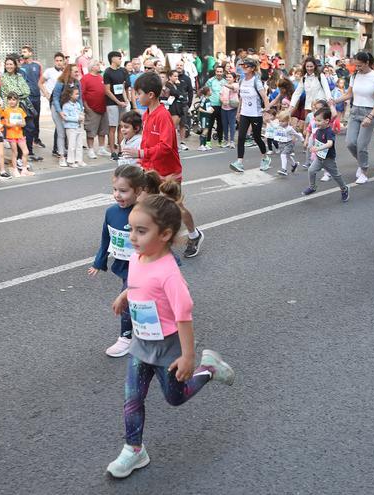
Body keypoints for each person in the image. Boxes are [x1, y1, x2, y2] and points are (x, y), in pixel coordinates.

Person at [105, 192, 234, 479]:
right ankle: (134, 449)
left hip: (167, 347)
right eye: (131, 229)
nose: (133, 237)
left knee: (176, 398)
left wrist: (188, 356)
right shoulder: (139, 256)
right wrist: (125, 293)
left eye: (141, 231)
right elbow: (138, 281)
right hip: (141, 343)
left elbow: (184, 316)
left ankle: (208, 369)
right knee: (132, 398)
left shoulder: (170, 274)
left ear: (164, 234)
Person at [126, 71, 203, 258]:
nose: (137, 97)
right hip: (151, 169)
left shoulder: (163, 116)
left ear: (150, 95)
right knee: (142, 201)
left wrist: (143, 153)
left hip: (170, 172)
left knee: (176, 207)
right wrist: (141, 160)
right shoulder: (146, 115)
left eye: (139, 93)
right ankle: (149, 239)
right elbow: (146, 141)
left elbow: (167, 147)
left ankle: (194, 235)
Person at [89, 164, 146, 357]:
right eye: (115, 190)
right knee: (142, 300)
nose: (117, 195)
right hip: (123, 264)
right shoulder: (111, 212)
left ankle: (126, 338)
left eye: (123, 191)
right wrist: (99, 261)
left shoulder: (144, 213)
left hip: (142, 266)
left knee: (127, 300)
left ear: (138, 191)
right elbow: (106, 237)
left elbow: (158, 241)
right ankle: (148, 328)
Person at [334, 52, 374, 184]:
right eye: (355, 65)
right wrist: (335, 100)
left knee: (361, 145)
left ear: (367, 63)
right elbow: (349, 94)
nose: (357, 68)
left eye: (360, 65)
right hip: (355, 110)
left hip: (369, 112)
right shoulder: (355, 75)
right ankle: (362, 162)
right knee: (350, 143)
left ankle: (363, 171)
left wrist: (370, 116)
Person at [229, 59, 274, 173]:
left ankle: (265, 158)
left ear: (252, 68)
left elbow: (264, 97)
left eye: (246, 66)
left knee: (257, 138)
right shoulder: (241, 81)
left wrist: (267, 112)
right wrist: (238, 112)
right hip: (244, 113)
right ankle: (239, 162)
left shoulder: (256, 81)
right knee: (241, 137)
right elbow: (241, 98)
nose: (244, 68)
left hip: (256, 114)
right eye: (243, 66)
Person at [301, 107, 350, 202]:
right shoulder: (318, 130)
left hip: (329, 159)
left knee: (336, 176)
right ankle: (312, 187)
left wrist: (318, 148)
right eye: (315, 120)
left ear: (327, 121)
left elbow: (329, 143)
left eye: (319, 120)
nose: (316, 122)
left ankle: (344, 188)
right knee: (311, 170)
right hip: (319, 158)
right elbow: (317, 141)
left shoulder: (329, 131)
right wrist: (312, 146)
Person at [103, 51, 131, 160]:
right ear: (113, 59)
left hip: (122, 103)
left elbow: (123, 88)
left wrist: (125, 100)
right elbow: (107, 91)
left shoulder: (123, 71)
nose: (120, 59)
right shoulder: (107, 72)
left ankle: (121, 150)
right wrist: (118, 102)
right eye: (118, 58)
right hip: (112, 103)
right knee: (112, 127)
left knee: (121, 127)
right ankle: (112, 151)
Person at [81, 60, 110, 159]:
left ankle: (101, 148)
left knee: (103, 130)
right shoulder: (85, 78)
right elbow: (82, 94)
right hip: (92, 109)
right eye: (97, 65)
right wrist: (86, 107)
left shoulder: (101, 77)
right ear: (92, 67)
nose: (99, 66)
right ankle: (91, 150)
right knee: (91, 130)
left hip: (103, 107)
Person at [19, 45, 46, 152]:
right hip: (27, 97)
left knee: (36, 118)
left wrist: (44, 92)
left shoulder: (37, 65)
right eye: (22, 52)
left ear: (30, 53)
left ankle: (36, 139)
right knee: (28, 120)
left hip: (36, 95)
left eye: (25, 51)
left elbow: (40, 80)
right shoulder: (21, 66)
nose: (23, 53)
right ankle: (27, 142)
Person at [3, 92, 33, 176]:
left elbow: (24, 123)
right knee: (14, 152)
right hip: (11, 135)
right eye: (10, 99)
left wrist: (19, 124)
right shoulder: (6, 111)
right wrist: (12, 124)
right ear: (7, 100)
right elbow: (6, 124)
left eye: (13, 99)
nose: (11, 101)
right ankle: (15, 169)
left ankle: (24, 170)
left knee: (26, 151)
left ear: (17, 100)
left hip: (20, 134)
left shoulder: (20, 110)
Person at [42, 52, 66, 157]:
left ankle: (62, 147)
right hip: (54, 100)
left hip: (64, 101)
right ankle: (56, 149)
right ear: (54, 61)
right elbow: (40, 83)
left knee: (64, 124)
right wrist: (46, 93)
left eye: (61, 60)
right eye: (57, 60)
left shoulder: (66, 72)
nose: (59, 62)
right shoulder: (49, 71)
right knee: (58, 125)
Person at [61, 85, 86, 168]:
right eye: (76, 94)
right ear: (70, 95)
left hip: (79, 126)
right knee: (72, 145)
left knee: (79, 144)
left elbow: (80, 112)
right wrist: (76, 119)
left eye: (78, 94)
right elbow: (66, 117)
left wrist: (82, 116)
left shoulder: (78, 104)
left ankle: (79, 160)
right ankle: (70, 160)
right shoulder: (66, 106)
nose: (78, 95)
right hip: (71, 127)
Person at [273, 110, 303, 176]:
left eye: (283, 121)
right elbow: (273, 126)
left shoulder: (289, 129)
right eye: (280, 121)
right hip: (281, 143)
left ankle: (284, 169)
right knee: (287, 156)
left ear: (287, 121)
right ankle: (294, 164)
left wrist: (301, 139)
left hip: (289, 144)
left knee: (283, 155)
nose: (281, 123)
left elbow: (296, 134)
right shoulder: (279, 126)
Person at [219, 71, 239, 148]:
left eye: (230, 77)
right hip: (224, 108)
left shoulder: (236, 85)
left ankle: (232, 141)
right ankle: (226, 140)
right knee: (224, 125)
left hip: (232, 108)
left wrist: (225, 84)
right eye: (227, 77)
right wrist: (222, 101)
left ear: (234, 79)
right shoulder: (224, 86)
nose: (228, 78)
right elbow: (220, 95)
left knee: (232, 125)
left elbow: (233, 88)